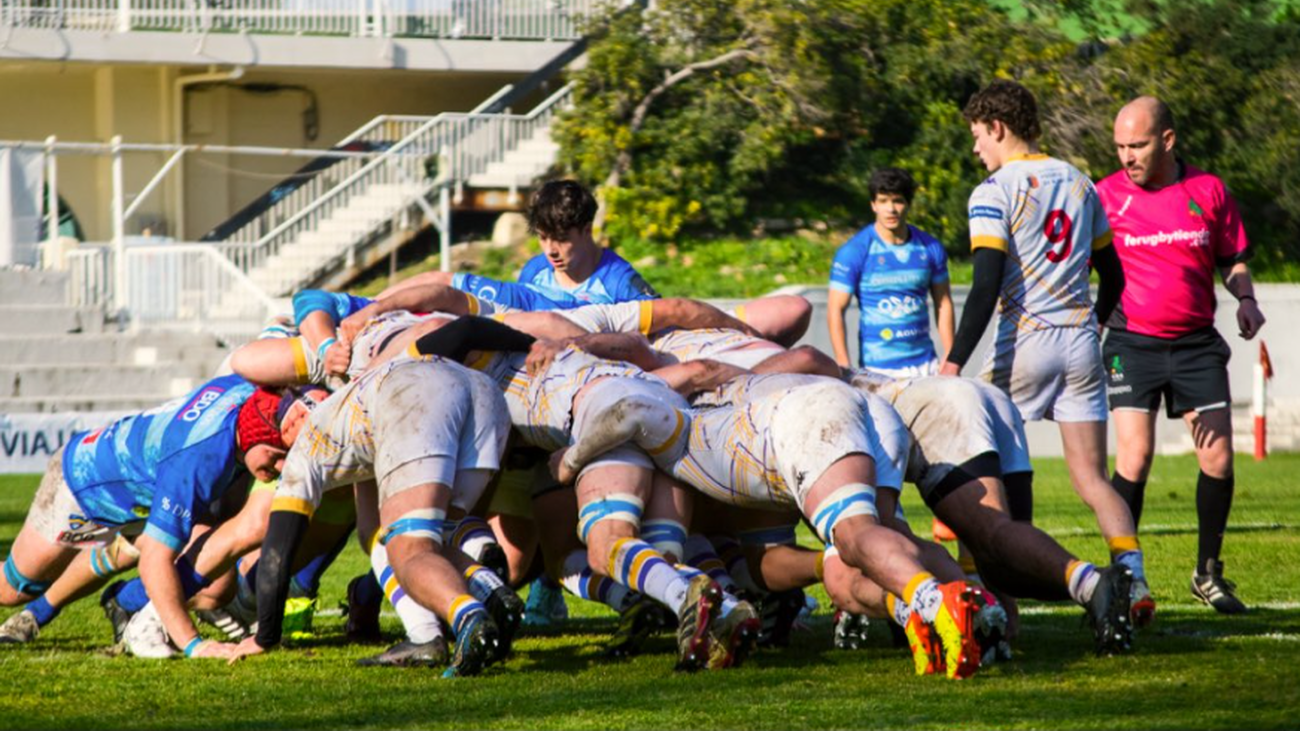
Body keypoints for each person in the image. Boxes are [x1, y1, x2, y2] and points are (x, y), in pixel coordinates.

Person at [941, 79, 1152, 629]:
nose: (975, 148)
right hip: (1081, 342)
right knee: (1092, 478)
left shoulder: (993, 191)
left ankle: (997, 608)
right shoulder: (1082, 183)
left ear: (998, 127)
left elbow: (985, 289)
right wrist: (1095, 323)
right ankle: (1134, 574)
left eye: (976, 135)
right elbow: (1114, 277)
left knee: (979, 472)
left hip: (1025, 343)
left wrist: (953, 362)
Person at [1097, 96, 1264, 614]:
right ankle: (1125, 575)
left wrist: (1247, 300)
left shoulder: (1208, 191)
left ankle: (1208, 573)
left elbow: (1232, 259)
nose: (1127, 156)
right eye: (1120, 145)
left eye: (1138, 145)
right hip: (1132, 342)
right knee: (1135, 456)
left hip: (1195, 344)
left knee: (1217, 458)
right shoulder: (1103, 196)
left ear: (1167, 141)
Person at [0, 377, 290, 660]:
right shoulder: (195, 462)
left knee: (217, 585)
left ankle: (117, 603)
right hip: (82, 485)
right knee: (13, 588)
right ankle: (40, 609)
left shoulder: (247, 394)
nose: (280, 466)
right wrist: (194, 645)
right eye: (275, 455)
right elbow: (156, 558)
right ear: (253, 437)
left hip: (139, 487)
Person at [828, 167, 955, 376]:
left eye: (897, 201)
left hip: (927, 366)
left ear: (908, 204)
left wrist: (951, 357)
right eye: (883, 201)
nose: (891, 209)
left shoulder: (930, 247)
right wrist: (844, 366)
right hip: (877, 368)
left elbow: (943, 303)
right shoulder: (854, 251)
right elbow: (835, 309)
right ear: (873, 205)